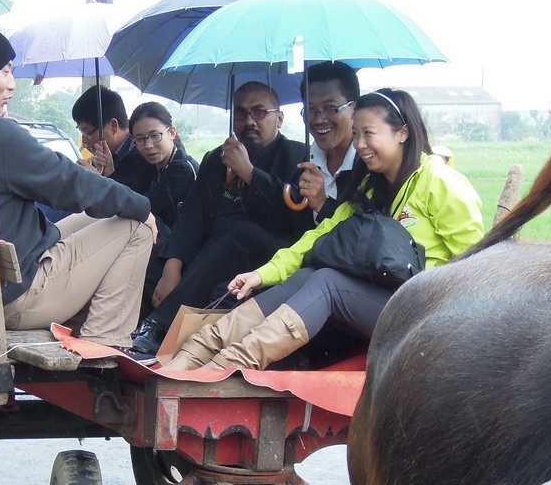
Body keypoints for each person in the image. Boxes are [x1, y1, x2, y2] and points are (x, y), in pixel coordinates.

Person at [161, 89, 484, 372]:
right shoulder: (371, 188)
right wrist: (260, 275)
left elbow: (475, 264)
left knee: (327, 282)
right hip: (380, 298)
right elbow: (318, 237)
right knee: (307, 274)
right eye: (356, 134)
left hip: (425, 312)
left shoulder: (440, 182)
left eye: (369, 133)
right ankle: (191, 356)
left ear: (402, 133)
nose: (360, 144)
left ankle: (225, 367)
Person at [0, 25, 157, 350]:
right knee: (136, 227)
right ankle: (104, 345)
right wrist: (143, 207)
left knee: (103, 217)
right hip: (17, 293)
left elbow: (61, 177)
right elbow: (68, 184)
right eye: (4, 72)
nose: (12, 84)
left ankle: (91, 327)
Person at [129, 81, 313, 356]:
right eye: (240, 113)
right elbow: (193, 216)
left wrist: (250, 173)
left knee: (240, 233)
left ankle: (158, 325)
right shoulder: (217, 158)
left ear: (280, 117)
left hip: (268, 252)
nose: (249, 121)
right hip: (213, 250)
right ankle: (134, 333)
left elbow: (298, 215)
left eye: (259, 112)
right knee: (149, 251)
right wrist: (172, 267)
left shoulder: (300, 156)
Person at [293, 61, 361, 221]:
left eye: (330, 107)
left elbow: (368, 233)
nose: (319, 119)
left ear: (354, 109)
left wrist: (323, 204)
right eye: (310, 109)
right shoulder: (305, 165)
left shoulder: (369, 167)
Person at [120, 102, 196, 232]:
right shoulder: (152, 165)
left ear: (171, 132)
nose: (148, 145)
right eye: (140, 139)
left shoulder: (182, 170)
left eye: (155, 136)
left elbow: (142, 205)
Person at [71, 85, 135, 176]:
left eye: (87, 132)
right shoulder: (103, 159)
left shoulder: (144, 154)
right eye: (81, 132)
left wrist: (100, 179)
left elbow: (130, 190)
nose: (84, 141)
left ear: (113, 126)